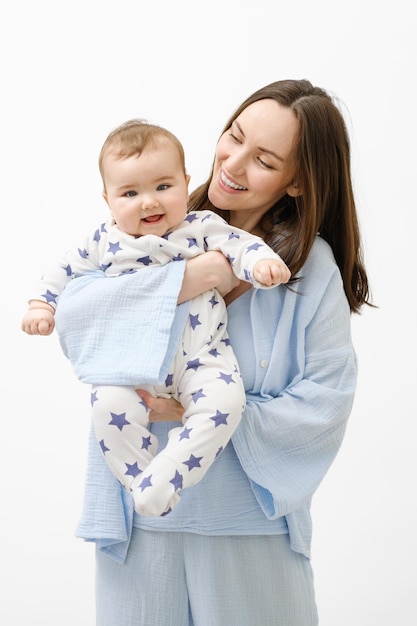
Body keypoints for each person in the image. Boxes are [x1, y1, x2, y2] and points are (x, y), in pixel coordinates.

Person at [38, 79, 372, 625]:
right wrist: (189, 278)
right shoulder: (146, 235)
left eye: (263, 159)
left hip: (248, 526)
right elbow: (74, 320)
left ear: (297, 183)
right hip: (140, 523)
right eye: (233, 137)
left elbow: (325, 402)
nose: (233, 164)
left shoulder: (311, 270)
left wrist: (200, 412)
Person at [21, 119, 291, 517]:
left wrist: (262, 262)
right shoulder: (103, 241)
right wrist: (41, 305)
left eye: (163, 187)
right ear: (107, 199)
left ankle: (168, 474)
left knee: (225, 403)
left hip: (202, 356)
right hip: (130, 364)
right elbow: (63, 272)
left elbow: (239, 245)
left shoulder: (200, 227)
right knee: (106, 405)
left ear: (185, 183)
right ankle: (140, 481)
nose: (149, 202)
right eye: (130, 192)